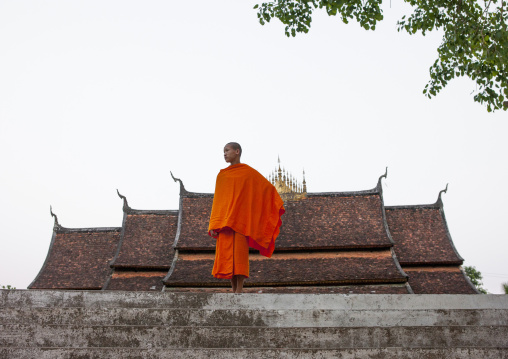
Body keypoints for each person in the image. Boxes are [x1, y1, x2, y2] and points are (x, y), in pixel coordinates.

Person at [208, 142, 285, 293]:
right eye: (223, 151)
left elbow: (266, 189)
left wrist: (273, 200)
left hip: (241, 221)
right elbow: (219, 201)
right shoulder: (222, 175)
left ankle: (239, 290)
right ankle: (233, 290)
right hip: (225, 222)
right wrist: (214, 223)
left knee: (239, 257)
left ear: (237, 151)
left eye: (227, 150)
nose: (224, 154)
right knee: (228, 257)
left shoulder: (248, 173)